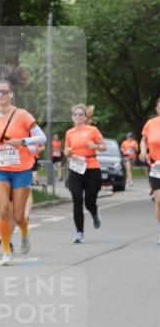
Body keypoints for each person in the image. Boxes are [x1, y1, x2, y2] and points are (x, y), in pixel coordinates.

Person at [0, 79, 46, 266]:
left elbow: (42, 137)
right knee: (3, 211)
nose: (0, 95)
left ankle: (25, 232)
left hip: (21, 169)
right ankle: (7, 252)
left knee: (18, 216)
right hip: (0, 168)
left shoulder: (23, 115)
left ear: (11, 94)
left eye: (3, 92)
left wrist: (23, 141)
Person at [64, 104, 106, 243]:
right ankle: (79, 232)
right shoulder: (69, 133)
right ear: (72, 117)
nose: (78, 117)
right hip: (75, 168)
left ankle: (94, 213)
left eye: (80, 114)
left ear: (85, 117)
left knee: (89, 202)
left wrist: (94, 146)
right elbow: (66, 150)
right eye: (75, 114)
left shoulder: (92, 130)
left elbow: (103, 147)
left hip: (91, 168)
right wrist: (67, 152)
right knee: (77, 199)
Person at [140, 96, 160, 244]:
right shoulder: (150, 123)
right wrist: (143, 151)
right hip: (156, 166)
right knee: (159, 201)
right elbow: (144, 140)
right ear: (157, 108)